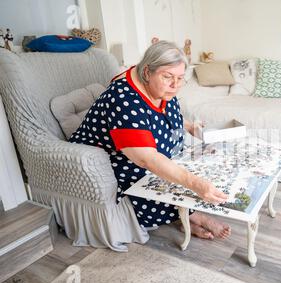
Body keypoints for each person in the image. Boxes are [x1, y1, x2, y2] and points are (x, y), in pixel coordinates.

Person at [69, 41, 231, 240]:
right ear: (147, 72)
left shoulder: (159, 86)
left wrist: (190, 127)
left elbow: (166, 115)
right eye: (168, 77)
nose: (175, 85)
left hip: (148, 151)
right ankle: (190, 216)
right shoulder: (123, 99)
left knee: (185, 166)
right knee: (162, 178)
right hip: (116, 158)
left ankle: (186, 215)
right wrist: (195, 184)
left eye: (181, 78)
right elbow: (147, 159)